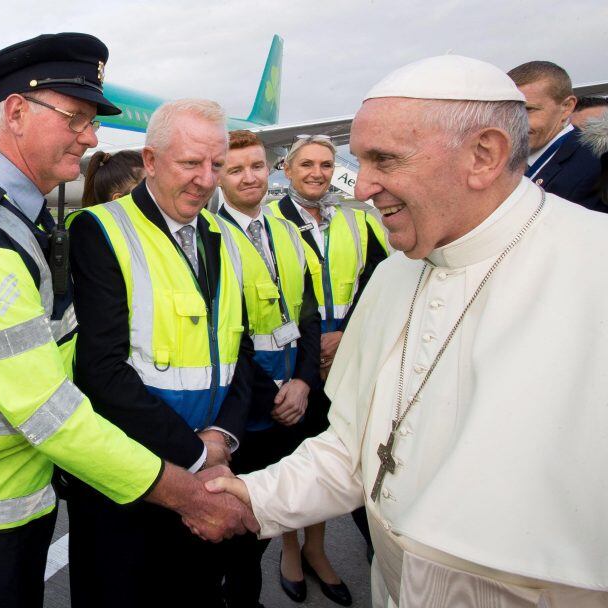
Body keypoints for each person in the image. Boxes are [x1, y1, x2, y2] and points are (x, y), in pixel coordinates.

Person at [202, 54, 608, 608]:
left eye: (383, 160)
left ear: (483, 155)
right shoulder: (396, 273)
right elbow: (351, 446)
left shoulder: (594, 267)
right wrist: (252, 494)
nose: (362, 186)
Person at [0, 35, 255, 608]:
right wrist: (188, 493)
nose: (91, 138)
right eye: (77, 118)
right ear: (16, 113)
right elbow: (49, 410)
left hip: (15, 499)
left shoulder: (22, 218)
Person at [64, 99, 255, 608]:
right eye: (190, 163)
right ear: (150, 160)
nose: (206, 179)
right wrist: (198, 455)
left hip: (211, 468)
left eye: (216, 165)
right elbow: (100, 370)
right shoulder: (99, 230)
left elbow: (241, 348)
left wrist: (223, 437)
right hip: (135, 479)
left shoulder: (224, 235)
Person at [265, 134, 388, 605]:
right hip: (298, 358)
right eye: (306, 164)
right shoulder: (269, 222)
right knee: (294, 458)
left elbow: (381, 283)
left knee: (334, 456)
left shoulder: (359, 222)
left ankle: (318, 549)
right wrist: (314, 344)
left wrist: (349, 335)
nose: (317, 172)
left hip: (347, 356)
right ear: (287, 170)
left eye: (325, 163)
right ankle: (290, 550)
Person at [217, 130, 321, 608]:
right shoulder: (209, 235)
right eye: (235, 169)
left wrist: (303, 382)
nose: (249, 177)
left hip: (292, 399)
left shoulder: (286, 230)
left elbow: (307, 312)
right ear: (217, 174)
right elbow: (226, 339)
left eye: (256, 166)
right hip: (248, 412)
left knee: (268, 521)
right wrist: (275, 396)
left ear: (271, 168)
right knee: (235, 529)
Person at [508, 61, 604, 212]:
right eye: (507, 112)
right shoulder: (494, 160)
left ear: (566, 107)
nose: (514, 123)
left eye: (528, 109)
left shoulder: (597, 165)